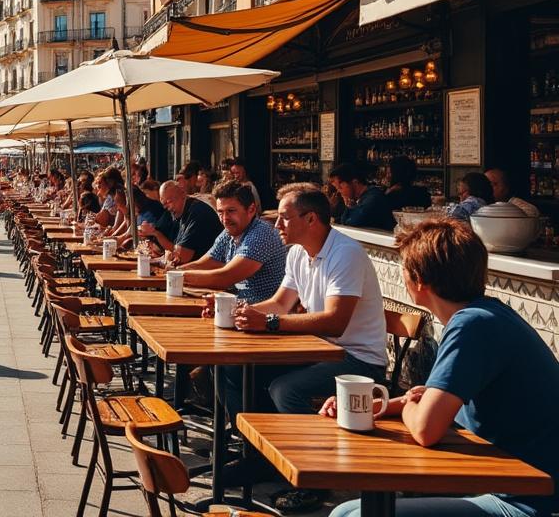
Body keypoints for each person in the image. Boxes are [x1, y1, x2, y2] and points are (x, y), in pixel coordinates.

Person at [322, 219, 559, 517]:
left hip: (530, 501)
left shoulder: (471, 326)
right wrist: (370, 406)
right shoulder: (487, 314)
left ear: (419, 280)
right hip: (517, 485)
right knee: (348, 512)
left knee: (355, 515)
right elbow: (430, 406)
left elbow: (425, 428)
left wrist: (410, 407)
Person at [226, 184, 388, 510]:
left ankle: (316, 478)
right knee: (232, 368)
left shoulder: (346, 253)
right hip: (318, 351)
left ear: (311, 218)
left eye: (284, 218)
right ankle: (261, 456)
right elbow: (281, 303)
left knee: (286, 390)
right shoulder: (299, 252)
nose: (277, 225)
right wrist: (237, 312)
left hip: (359, 360)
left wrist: (270, 323)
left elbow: (334, 322)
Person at [181, 180, 288, 305]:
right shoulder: (230, 231)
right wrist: (175, 271)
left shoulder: (262, 233)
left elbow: (226, 278)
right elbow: (205, 263)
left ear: (251, 210)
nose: (225, 218)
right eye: (220, 212)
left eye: (231, 211)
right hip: (237, 308)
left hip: (261, 315)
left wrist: (178, 277)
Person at [139, 180, 223, 265]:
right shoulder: (180, 212)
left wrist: (167, 253)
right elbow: (162, 249)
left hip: (207, 272)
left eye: (168, 202)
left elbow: (181, 256)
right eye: (163, 204)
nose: (166, 208)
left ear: (182, 194)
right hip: (194, 270)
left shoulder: (197, 212)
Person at [330, 162, 395, 231]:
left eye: (340, 187)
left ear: (355, 182)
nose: (339, 192)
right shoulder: (361, 198)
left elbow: (349, 223)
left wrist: (349, 207)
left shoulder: (373, 198)